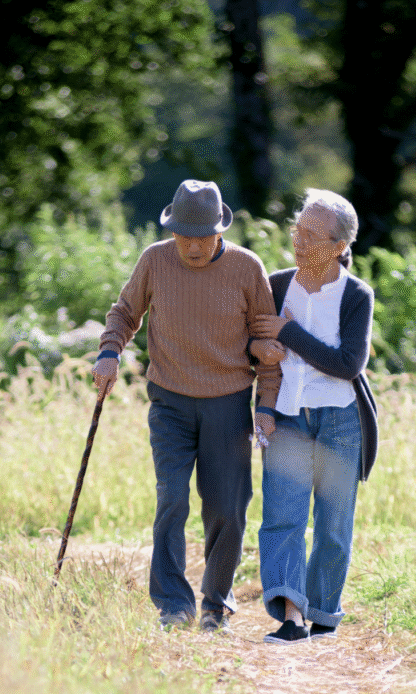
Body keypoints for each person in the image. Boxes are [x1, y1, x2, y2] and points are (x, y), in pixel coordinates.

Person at [92, 180, 280, 632]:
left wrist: (267, 403)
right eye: (184, 236)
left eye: (202, 237)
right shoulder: (155, 260)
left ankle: (215, 604)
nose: (193, 247)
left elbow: (267, 338)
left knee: (226, 509)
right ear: (171, 230)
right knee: (171, 500)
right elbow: (124, 312)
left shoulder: (246, 268)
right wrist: (109, 351)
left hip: (229, 402)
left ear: (220, 232)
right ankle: (174, 605)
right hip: (171, 401)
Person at [250, 189, 378, 644]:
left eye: (310, 234)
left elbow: (348, 364)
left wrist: (289, 333)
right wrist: (262, 404)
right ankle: (290, 618)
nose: (298, 241)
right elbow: (259, 352)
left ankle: (323, 613)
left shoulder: (356, 296)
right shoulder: (277, 285)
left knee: (333, 524)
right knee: (281, 516)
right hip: (287, 416)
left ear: (340, 245)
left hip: (341, 421)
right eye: (296, 230)